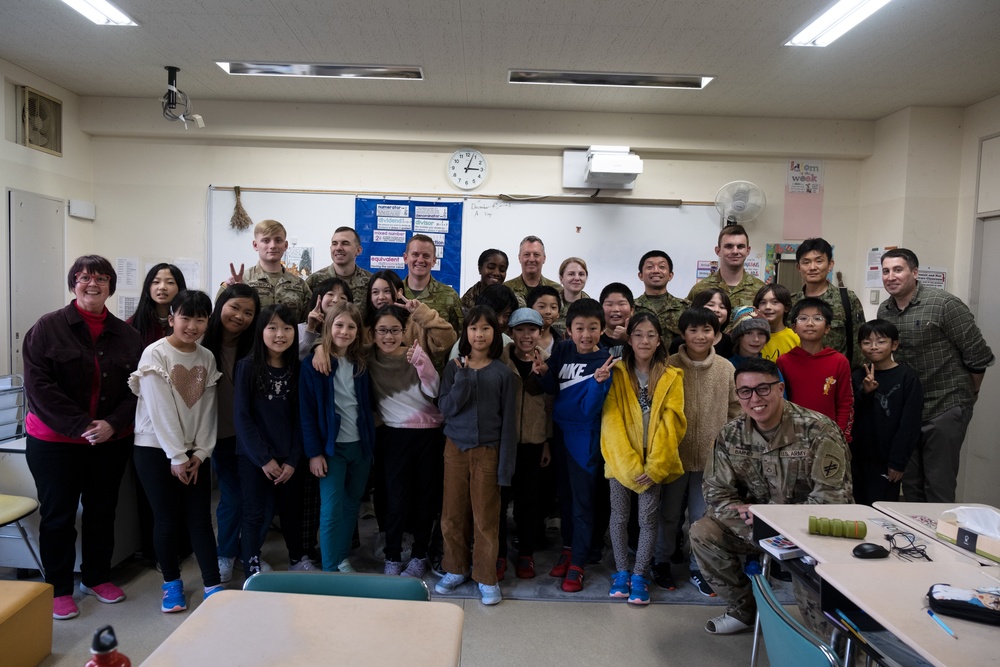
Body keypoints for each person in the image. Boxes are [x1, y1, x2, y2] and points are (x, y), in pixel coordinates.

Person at [691, 358, 853, 635]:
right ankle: (743, 610)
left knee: (824, 631)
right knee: (703, 532)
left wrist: (773, 516)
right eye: (745, 391)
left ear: (779, 388)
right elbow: (716, 490)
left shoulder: (818, 430)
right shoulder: (731, 434)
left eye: (763, 389)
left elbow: (832, 500)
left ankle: (834, 640)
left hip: (809, 532)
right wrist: (742, 511)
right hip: (755, 527)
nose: (754, 398)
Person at [22, 255, 144, 621]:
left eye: (102, 278)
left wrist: (110, 423)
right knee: (57, 515)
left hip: (110, 439)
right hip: (54, 442)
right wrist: (81, 425)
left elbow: (136, 388)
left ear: (111, 286)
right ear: (73, 282)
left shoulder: (128, 335)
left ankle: (96, 577)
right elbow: (38, 386)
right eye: (85, 277)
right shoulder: (47, 328)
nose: (93, 283)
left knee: (101, 511)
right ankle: (58, 587)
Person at [130, 290, 225, 613]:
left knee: (199, 519)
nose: (193, 325)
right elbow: (160, 410)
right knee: (167, 520)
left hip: (193, 453)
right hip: (155, 450)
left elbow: (206, 410)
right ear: (171, 319)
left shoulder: (206, 357)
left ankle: (213, 585)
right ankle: (171, 585)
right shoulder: (154, 354)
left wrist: (201, 451)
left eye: (201, 319)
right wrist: (177, 456)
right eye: (186, 317)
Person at [878, 248, 994, 502]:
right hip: (909, 408)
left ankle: (942, 541)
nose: (891, 276)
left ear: (915, 272)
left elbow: (978, 355)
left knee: (938, 486)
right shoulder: (885, 311)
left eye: (898, 269)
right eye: (885, 271)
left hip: (945, 404)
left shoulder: (944, 304)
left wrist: (968, 395)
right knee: (910, 486)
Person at [434, 306, 518, 606]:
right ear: (465, 333)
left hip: (488, 452)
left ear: (495, 334)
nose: (479, 334)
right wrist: (464, 378)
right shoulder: (454, 368)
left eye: (486, 328)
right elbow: (446, 409)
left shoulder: (503, 373)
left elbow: (509, 422)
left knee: (486, 518)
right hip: (455, 448)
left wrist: (505, 466)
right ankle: (455, 568)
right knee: (452, 514)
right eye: (473, 328)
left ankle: (486, 575)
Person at [601, 312, 685, 605]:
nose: (644, 340)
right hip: (621, 461)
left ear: (659, 339)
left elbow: (672, 423)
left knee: (648, 520)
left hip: (653, 465)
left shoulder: (671, 375)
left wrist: (656, 466)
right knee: (619, 517)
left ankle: (639, 575)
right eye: (638, 334)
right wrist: (628, 465)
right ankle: (621, 572)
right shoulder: (617, 371)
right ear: (629, 338)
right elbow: (611, 420)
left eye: (651, 335)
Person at [657, 307, 740, 594]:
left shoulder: (726, 369)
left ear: (717, 335)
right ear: (682, 334)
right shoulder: (667, 365)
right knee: (668, 515)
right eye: (693, 330)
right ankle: (661, 562)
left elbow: (735, 411)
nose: (700, 336)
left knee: (702, 517)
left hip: (710, 460)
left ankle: (698, 568)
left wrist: (727, 450)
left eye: (707, 330)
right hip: (673, 457)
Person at [536, 299, 615, 593]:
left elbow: (589, 411)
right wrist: (543, 371)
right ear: (568, 330)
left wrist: (597, 383)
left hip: (585, 438)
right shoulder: (564, 349)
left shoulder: (605, 361)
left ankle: (579, 562)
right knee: (565, 499)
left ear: (601, 329)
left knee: (583, 503)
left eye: (593, 328)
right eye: (580, 328)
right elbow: (552, 388)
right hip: (560, 435)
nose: (586, 334)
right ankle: (568, 549)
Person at [235, 304, 315, 575]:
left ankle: (297, 558)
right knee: (254, 512)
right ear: (261, 332)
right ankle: (251, 564)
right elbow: (242, 418)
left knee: (291, 511)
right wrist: (264, 459)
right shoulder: (246, 367)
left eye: (287, 328)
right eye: (272, 327)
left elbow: (301, 418)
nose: (280, 334)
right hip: (254, 457)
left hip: (289, 456)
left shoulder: (299, 368)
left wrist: (293, 460)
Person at [367, 304, 444, 578]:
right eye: (382, 331)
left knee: (425, 498)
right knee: (395, 500)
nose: (389, 336)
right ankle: (392, 556)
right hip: (393, 435)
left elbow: (434, 390)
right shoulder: (367, 357)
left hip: (428, 433)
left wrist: (422, 363)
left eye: (395, 330)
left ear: (404, 331)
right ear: (372, 333)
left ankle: (420, 555)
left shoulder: (414, 354)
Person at [299, 303, 376, 573]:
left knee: (351, 505)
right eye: (339, 325)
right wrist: (314, 453)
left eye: (351, 326)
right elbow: (307, 414)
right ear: (328, 327)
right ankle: (331, 566)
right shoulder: (314, 364)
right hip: (331, 450)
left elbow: (365, 407)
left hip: (360, 448)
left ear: (358, 332)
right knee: (331, 509)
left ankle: (341, 559)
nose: (344, 331)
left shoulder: (361, 364)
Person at [201, 284, 263, 583]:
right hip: (220, 436)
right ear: (220, 304)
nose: (240, 316)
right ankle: (225, 553)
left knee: (258, 499)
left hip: (252, 436)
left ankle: (248, 552)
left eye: (248, 312)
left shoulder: (254, 347)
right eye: (234, 307)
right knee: (233, 498)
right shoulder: (201, 343)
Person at [498, 308, 553, 580]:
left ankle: (526, 555)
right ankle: (497, 554)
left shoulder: (548, 364)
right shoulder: (499, 361)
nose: (526, 335)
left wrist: (545, 442)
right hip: (501, 444)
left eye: (532, 329)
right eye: (520, 329)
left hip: (533, 443)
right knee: (498, 501)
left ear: (540, 332)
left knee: (528, 503)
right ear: (511, 333)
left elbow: (550, 407)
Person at [850, 319, 924, 505]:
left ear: (894, 345)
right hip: (857, 458)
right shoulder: (857, 376)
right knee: (856, 506)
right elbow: (851, 413)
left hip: (887, 459)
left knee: (881, 508)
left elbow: (910, 423)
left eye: (881, 341)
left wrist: (898, 462)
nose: (873, 347)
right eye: (867, 342)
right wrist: (865, 392)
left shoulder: (907, 377)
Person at [777, 297, 854, 441]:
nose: (810, 323)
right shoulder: (783, 362)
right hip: (793, 436)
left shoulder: (839, 361)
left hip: (829, 436)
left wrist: (840, 435)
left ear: (827, 328)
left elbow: (845, 403)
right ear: (793, 327)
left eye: (817, 318)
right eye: (803, 318)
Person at [364, 269, 458, 372]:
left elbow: (447, 341)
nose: (381, 297)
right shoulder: (364, 327)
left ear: (399, 293)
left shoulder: (414, 323)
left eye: (387, 291)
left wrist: (424, 314)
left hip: (413, 384)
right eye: (375, 292)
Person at [791, 238, 865, 368]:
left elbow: (859, 341)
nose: (812, 267)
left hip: (837, 375)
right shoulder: (791, 303)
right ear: (798, 267)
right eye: (806, 262)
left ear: (830, 265)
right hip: (798, 372)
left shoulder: (847, 299)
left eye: (819, 261)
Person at [220, 219, 311, 322]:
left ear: (285, 245)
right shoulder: (242, 280)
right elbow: (221, 314)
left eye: (278, 240)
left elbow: (306, 324)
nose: (272, 246)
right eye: (266, 240)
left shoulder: (299, 285)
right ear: (255, 245)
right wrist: (237, 292)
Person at [686, 224, 764, 308]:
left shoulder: (761, 289)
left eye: (740, 246)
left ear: (748, 251)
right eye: (729, 246)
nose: (735, 251)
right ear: (718, 251)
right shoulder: (700, 289)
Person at [401, 234, 463, 335]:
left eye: (426, 256)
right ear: (405, 258)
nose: (420, 260)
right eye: (415, 254)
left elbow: (459, 339)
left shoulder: (450, 296)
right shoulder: (394, 293)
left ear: (434, 261)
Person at [305, 226, 372, 307]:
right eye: (334, 243)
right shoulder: (314, 281)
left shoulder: (370, 282)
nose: (338, 248)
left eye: (345, 243)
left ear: (358, 250)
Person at [634, 250, 690, 339]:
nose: (656, 270)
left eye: (662, 267)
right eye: (649, 267)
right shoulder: (632, 308)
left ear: (670, 275)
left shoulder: (685, 308)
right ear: (640, 275)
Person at [127, 263, 187, 346]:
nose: (162, 287)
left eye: (170, 282)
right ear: (148, 287)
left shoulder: (188, 324)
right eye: (156, 282)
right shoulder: (132, 324)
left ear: (180, 288)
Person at [669, 288, 734, 357]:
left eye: (722, 307)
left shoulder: (730, 343)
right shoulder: (680, 342)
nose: (717, 310)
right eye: (711, 305)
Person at [299, 277, 352, 359]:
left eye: (343, 298)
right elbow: (298, 359)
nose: (336, 300)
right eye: (330, 294)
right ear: (318, 298)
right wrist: (310, 329)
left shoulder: (348, 332)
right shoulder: (300, 329)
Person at [504, 235, 561, 304]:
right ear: (519, 258)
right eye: (526, 254)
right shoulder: (506, 289)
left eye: (536, 255)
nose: (531, 259)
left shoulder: (557, 290)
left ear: (544, 258)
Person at [755, 284, 799, 362]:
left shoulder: (796, 338)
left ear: (786, 308)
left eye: (775, 302)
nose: (768, 307)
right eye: (763, 302)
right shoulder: (753, 338)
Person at [461, 248, 509, 314]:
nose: (496, 273)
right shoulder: (465, 302)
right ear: (480, 269)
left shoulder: (512, 300)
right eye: (491, 267)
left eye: (502, 270)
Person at [598, 282, 634, 359]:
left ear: (632, 310)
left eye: (621, 304)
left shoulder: (642, 337)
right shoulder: (595, 340)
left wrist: (628, 338)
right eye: (609, 304)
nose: (615, 309)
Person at [554, 257, 590, 335]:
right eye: (571, 274)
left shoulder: (592, 309)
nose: (577, 278)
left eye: (581, 274)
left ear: (586, 278)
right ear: (561, 279)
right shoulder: (550, 305)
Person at [527, 284, 562, 355]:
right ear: (530, 309)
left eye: (553, 307)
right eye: (542, 306)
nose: (548, 312)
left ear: (558, 313)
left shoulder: (562, 339)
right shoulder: (520, 338)